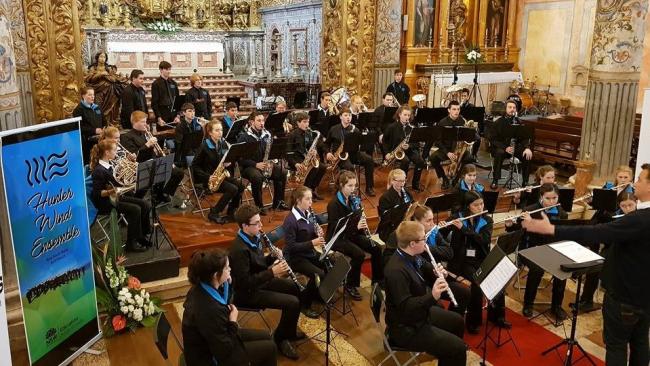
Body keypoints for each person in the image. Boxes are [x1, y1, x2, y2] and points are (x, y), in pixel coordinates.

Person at [522, 163, 650, 366]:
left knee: (617, 346)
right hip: (644, 297)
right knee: (641, 344)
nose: (635, 182)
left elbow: (596, 232)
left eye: (641, 179)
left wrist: (552, 230)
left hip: (625, 296)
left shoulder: (640, 220)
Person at [384, 221, 467, 366]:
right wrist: (433, 295)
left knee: (457, 321)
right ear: (412, 243)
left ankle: (445, 354)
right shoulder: (396, 271)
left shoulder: (412, 255)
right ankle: (450, 351)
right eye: (423, 239)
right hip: (406, 327)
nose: (426, 241)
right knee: (458, 348)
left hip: (420, 314)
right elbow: (406, 307)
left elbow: (425, 268)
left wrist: (437, 272)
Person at [228, 204, 304, 360]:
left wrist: (271, 257)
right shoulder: (238, 250)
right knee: (292, 302)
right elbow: (244, 283)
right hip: (247, 293)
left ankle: (288, 330)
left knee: (295, 287)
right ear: (244, 226)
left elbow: (258, 263)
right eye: (256, 223)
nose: (261, 225)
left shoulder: (254, 237)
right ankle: (280, 339)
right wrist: (272, 272)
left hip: (260, 281)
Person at [182, 249, 277, 366]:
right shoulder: (209, 310)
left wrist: (227, 284)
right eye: (227, 268)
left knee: (267, 336)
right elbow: (224, 351)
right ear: (216, 275)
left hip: (218, 337)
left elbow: (223, 304)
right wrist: (233, 322)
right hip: (211, 358)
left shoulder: (202, 286)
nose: (230, 270)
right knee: (270, 348)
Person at [445, 191, 508, 333]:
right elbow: (441, 237)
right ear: (468, 206)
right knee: (476, 283)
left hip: (480, 257)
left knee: (498, 278)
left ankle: (497, 316)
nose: (480, 207)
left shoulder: (487, 220)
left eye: (482, 204)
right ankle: (473, 322)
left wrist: (465, 230)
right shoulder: (457, 217)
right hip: (461, 261)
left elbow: (483, 240)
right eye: (476, 205)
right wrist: (442, 227)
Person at [507, 183, 568, 321]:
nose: (552, 202)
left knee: (563, 269)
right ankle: (528, 304)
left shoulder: (561, 213)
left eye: (554, 198)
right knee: (537, 269)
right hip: (531, 249)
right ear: (541, 197)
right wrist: (510, 225)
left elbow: (559, 235)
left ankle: (556, 306)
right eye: (548, 198)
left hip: (552, 250)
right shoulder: (530, 210)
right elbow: (517, 229)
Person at [574, 191, 638, 313]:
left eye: (630, 205)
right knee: (595, 264)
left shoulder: (639, 218)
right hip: (611, 248)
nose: (627, 209)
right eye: (624, 206)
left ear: (636, 203)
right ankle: (587, 299)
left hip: (629, 253)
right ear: (619, 205)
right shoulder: (614, 216)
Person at [326, 171, 383, 300]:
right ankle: (350, 285)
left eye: (354, 186)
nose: (353, 189)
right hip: (338, 238)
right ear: (341, 185)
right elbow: (337, 228)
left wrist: (361, 224)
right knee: (359, 254)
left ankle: (378, 280)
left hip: (352, 234)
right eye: (349, 186)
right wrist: (356, 226)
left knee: (376, 248)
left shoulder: (353, 199)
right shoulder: (334, 204)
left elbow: (355, 219)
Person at [89, 140, 150, 252]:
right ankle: (130, 244)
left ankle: (141, 236)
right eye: (114, 150)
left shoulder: (110, 165)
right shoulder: (98, 171)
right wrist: (112, 191)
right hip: (105, 202)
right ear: (107, 153)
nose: (116, 152)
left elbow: (119, 180)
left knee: (145, 204)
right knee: (135, 209)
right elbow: (97, 193)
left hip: (116, 197)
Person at [281, 186, 327, 319]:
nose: (311, 202)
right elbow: (291, 247)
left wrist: (317, 232)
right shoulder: (290, 221)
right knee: (317, 274)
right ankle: (304, 305)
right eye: (307, 199)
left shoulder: (308, 213)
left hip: (308, 253)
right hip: (295, 257)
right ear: (298, 200)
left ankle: (317, 294)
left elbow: (309, 233)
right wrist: (313, 242)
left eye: (311, 198)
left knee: (327, 264)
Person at [121, 110, 184, 203]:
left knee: (178, 172)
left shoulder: (145, 133)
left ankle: (162, 193)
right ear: (134, 122)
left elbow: (153, 152)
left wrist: (158, 153)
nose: (145, 124)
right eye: (142, 122)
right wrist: (147, 145)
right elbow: (133, 155)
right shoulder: (126, 136)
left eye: (145, 121)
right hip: (141, 166)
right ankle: (140, 199)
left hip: (154, 162)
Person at [237, 111, 289, 213]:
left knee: (282, 172)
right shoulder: (244, 137)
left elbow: (270, 151)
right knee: (257, 177)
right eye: (259, 121)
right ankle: (259, 206)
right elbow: (240, 158)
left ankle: (278, 202)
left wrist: (271, 160)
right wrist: (256, 164)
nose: (262, 123)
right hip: (248, 167)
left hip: (265, 164)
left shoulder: (267, 134)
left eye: (263, 120)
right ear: (252, 122)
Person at [192, 120, 243, 224]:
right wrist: (207, 177)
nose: (220, 132)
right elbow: (194, 166)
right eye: (217, 130)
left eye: (221, 130)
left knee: (240, 186)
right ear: (210, 133)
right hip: (210, 179)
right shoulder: (204, 146)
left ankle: (231, 211)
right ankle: (214, 212)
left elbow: (226, 159)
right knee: (232, 189)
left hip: (221, 175)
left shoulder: (223, 143)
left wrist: (229, 162)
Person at [325, 108, 376, 196]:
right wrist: (327, 153)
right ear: (340, 117)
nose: (348, 117)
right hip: (341, 156)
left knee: (370, 160)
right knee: (349, 167)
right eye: (345, 115)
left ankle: (369, 188)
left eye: (349, 115)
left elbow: (360, 144)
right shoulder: (333, 129)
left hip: (353, 153)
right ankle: (349, 190)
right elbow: (326, 144)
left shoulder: (355, 129)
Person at [489, 99, 532, 189]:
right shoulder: (498, 122)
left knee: (527, 155)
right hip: (502, 148)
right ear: (505, 109)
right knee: (499, 153)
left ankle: (525, 182)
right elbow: (493, 139)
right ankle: (495, 180)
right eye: (510, 107)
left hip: (515, 148)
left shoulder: (519, 122)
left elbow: (525, 138)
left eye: (514, 107)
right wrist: (505, 148)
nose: (512, 109)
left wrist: (527, 148)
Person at [429, 100, 473, 189]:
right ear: (449, 110)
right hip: (446, 149)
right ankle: (444, 178)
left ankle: (457, 178)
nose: (456, 111)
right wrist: (447, 153)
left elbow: (469, 136)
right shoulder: (442, 123)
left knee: (469, 158)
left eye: (458, 109)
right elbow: (437, 141)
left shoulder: (463, 121)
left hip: (459, 149)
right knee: (433, 158)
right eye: (454, 109)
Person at [382, 105, 425, 191]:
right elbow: (384, 141)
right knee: (405, 161)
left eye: (409, 115)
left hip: (409, 150)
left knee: (420, 161)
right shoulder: (392, 127)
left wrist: (409, 145)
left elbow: (417, 143)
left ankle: (415, 184)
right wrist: (386, 153)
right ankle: (402, 185)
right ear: (399, 114)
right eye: (405, 115)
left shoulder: (412, 128)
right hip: (397, 151)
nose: (407, 117)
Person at [286, 112, 326, 198]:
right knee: (314, 169)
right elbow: (287, 153)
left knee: (322, 167)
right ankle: (306, 193)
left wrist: (314, 151)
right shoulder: (292, 135)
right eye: (304, 122)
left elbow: (311, 146)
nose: (307, 124)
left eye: (308, 122)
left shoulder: (308, 133)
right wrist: (295, 164)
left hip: (306, 159)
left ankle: (312, 188)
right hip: (296, 160)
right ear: (298, 123)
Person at [84, 51, 126, 126]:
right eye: (101, 57)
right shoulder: (93, 68)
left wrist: (107, 76)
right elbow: (90, 79)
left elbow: (113, 79)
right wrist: (101, 74)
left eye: (104, 57)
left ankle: (109, 123)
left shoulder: (108, 68)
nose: (103, 59)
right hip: (97, 90)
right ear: (97, 58)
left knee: (110, 108)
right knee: (98, 107)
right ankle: (99, 124)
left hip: (109, 91)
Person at [377, 169, 414, 243]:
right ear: (392, 181)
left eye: (404, 180)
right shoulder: (385, 197)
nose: (402, 184)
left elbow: (413, 204)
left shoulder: (406, 192)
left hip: (405, 224)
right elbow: (385, 218)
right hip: (391, 228)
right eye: (399, 181)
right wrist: (400, 209)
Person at [73, 87, 104, 164]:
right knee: (91, 162)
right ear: (83, 96)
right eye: (90, 95)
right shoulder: (78, 110)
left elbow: (104, 121)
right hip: (87, 142)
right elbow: (79, 127)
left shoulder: (97, 108)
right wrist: (94, 130)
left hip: (100, 139)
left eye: (93, 95)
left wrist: (104, 129)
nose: (92, 97)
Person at [151, 61, 180, 129]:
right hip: (163, 116)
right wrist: (159, 117)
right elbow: (154, 103)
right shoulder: (156, 84)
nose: (168, 71)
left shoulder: (173, 83)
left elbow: (177, 100)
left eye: (169, 69)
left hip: (174, 116)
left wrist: (178, 115)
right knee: (163, 137)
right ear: (161, 70)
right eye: (166, 69)